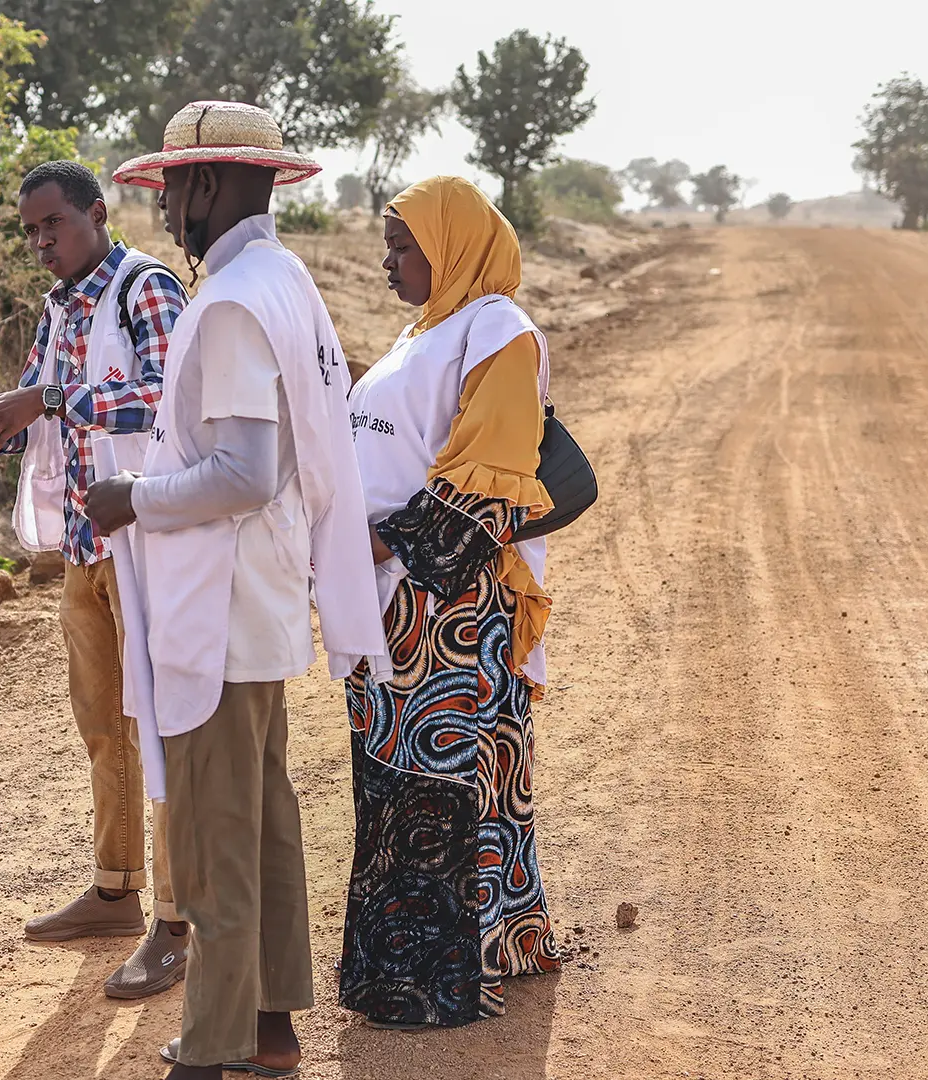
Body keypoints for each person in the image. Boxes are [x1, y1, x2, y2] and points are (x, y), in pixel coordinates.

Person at [89, 101, 387, 1080]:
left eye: (172, 188)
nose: (167, 207)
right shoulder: (283, 282)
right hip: (255, 606)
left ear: (209, 185)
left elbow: (243, 474)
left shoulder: (227, 304)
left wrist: (131, 496)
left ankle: (208, 1050)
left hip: (214, 614)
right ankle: (269, 1028)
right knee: (264, 826)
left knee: (217, 842)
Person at [0, 159, 191, 999]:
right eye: (29, 232)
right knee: (104, 722)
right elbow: (37, 399)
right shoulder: (60, 307)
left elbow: (171, 400)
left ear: (97, 213)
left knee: (160, 730)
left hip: (147, 545)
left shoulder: (145, 288)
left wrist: (50, 400)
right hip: (87, 548)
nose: (41, 242)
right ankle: (117, 890)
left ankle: (178, 921)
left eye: (52, 224)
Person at [338, 175, 564, 1029]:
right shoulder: (427, 329)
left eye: (404, 247)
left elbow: (484, 490)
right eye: (390, 245)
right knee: (450, 775)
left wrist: (361, 548)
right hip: (398, 595)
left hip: (445, 606)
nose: (390, 261)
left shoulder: (499, 332)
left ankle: (425, 976)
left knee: (432, 783)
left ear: (454, 246)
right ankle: (502, 938)